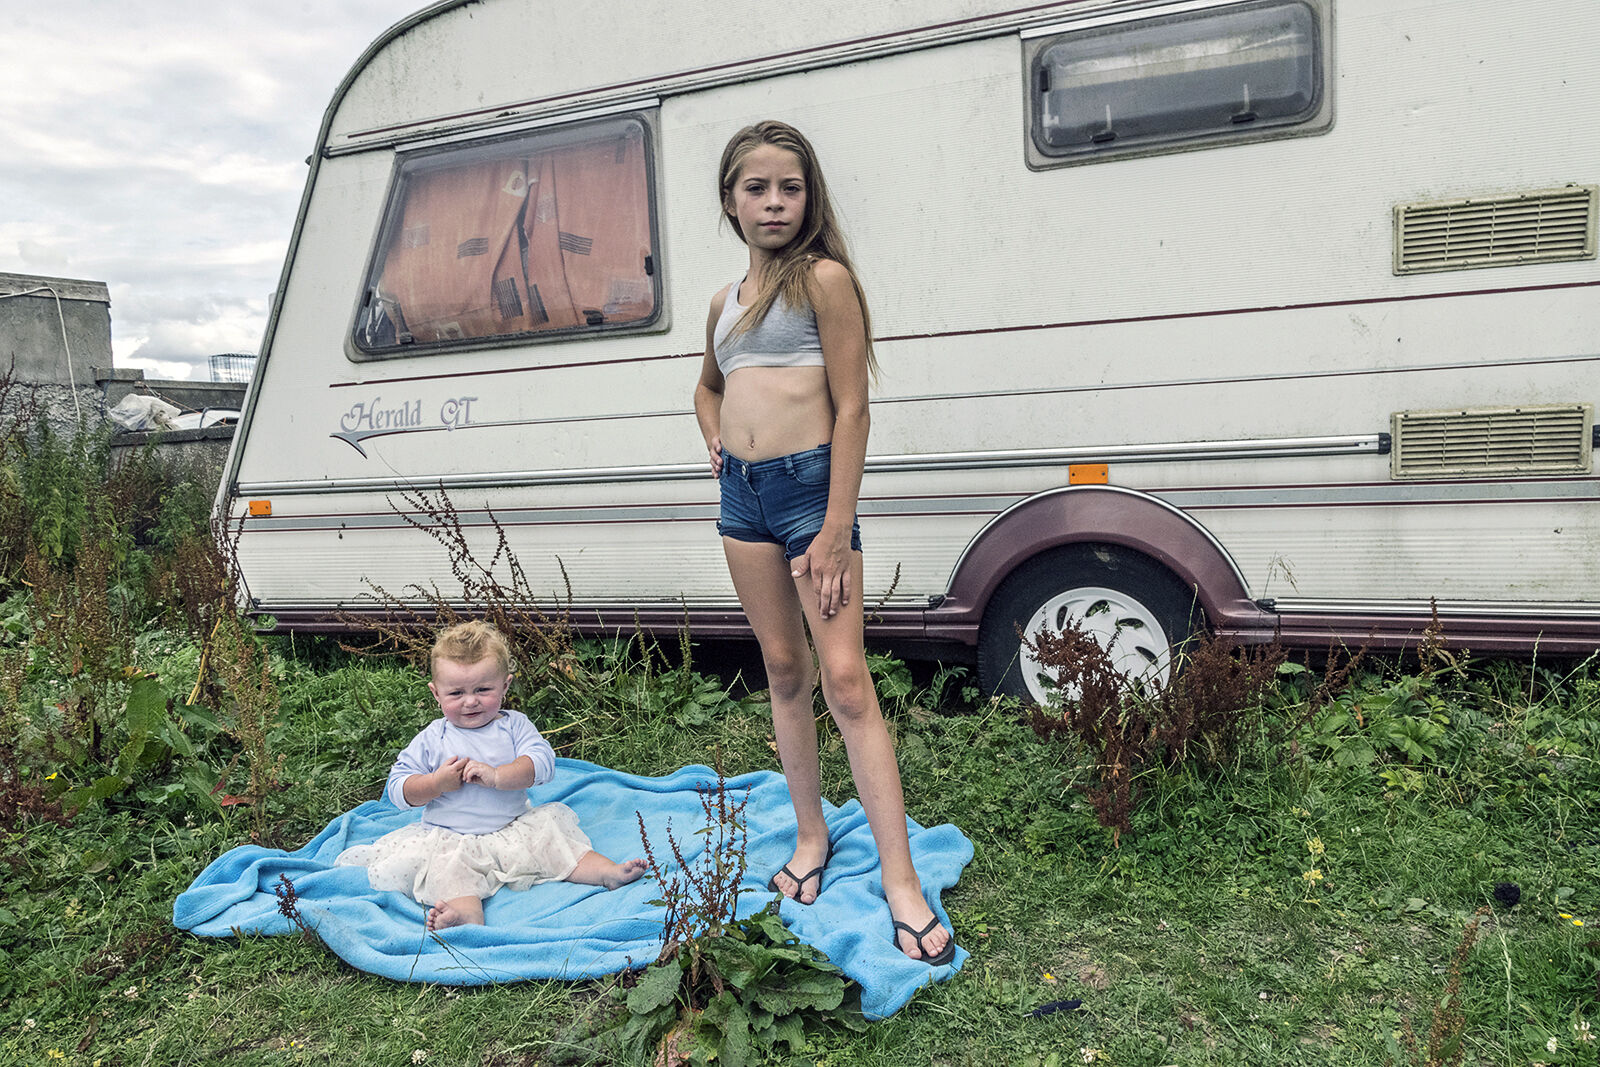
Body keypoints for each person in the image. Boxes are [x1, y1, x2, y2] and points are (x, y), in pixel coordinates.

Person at [693, 120, 956, 966]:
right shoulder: (723, 303)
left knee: (845, 678)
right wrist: (718, 439)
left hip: (813, 496)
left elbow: (853, 407)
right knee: (780, 668)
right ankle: (811, 836)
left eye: (790, 187)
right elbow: (707, 387)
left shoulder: (826, 282)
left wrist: (838, 528)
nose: (774, 202)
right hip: (744, 502)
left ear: (810, 198)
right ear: (730, 201)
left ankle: (902, 881)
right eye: (757, 187)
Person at [336, 620, 646, 930]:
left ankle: (607, 873)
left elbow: (543, 763)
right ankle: (465, 914)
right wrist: (436, 783)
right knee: (451, 869)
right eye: (456, 693)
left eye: (483, 690)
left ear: (505, 686)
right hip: (451, 836)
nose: (470, 701)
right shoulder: (434, 737)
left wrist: (499, 776)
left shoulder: (514, 726)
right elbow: (398, 788)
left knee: (555, 842)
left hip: (512, 828)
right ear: (436, 693)